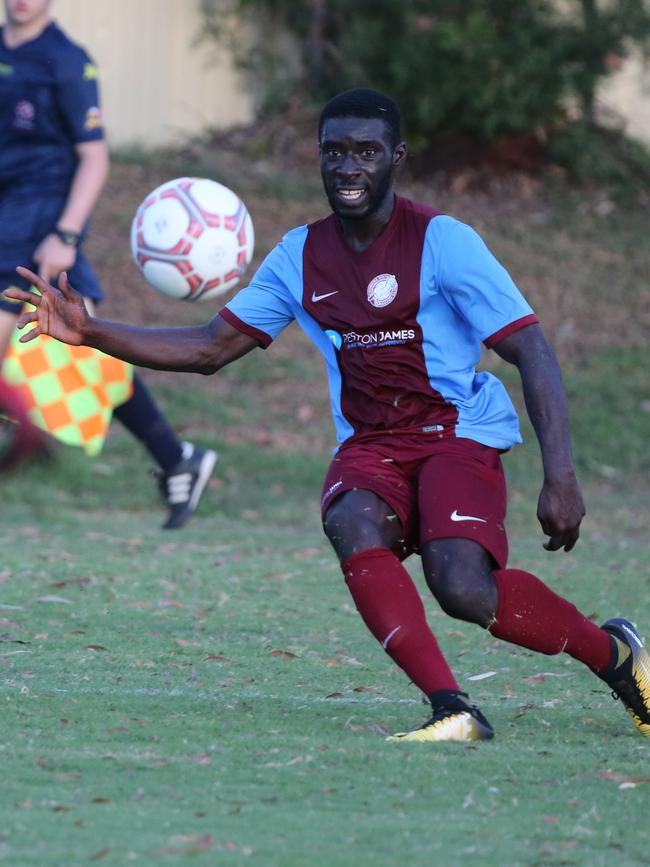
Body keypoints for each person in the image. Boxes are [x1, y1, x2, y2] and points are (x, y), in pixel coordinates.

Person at [7, 88, 650, 742]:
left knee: (461, 586)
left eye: (366, 152)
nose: (348, 167)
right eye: (334, 151)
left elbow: (530, 347)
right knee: (351, 517)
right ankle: (451, 707)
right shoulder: (299, 256)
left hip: (457, 432)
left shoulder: (442, 242)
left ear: (395, 158)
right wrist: (92, 333)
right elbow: (211, 348)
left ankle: (613, 653)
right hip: (372, 443)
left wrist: (561, 473)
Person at [0, 0, 216, 528]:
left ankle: (34, 436)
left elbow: (94, 156)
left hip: (38, 230)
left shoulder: (67, 60)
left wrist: (66, 234)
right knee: (84, 353)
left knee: (74, 346)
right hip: (5, 219)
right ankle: (175, 458)